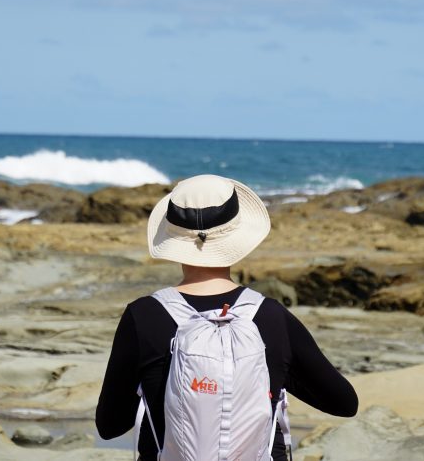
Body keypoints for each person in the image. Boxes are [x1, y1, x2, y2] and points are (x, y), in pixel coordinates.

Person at [96, 174, 358, 460]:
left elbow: (110, 425)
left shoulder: (143, 316)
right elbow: (344, 403)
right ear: (238, 235)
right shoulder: (271, 316)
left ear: (172, 236)